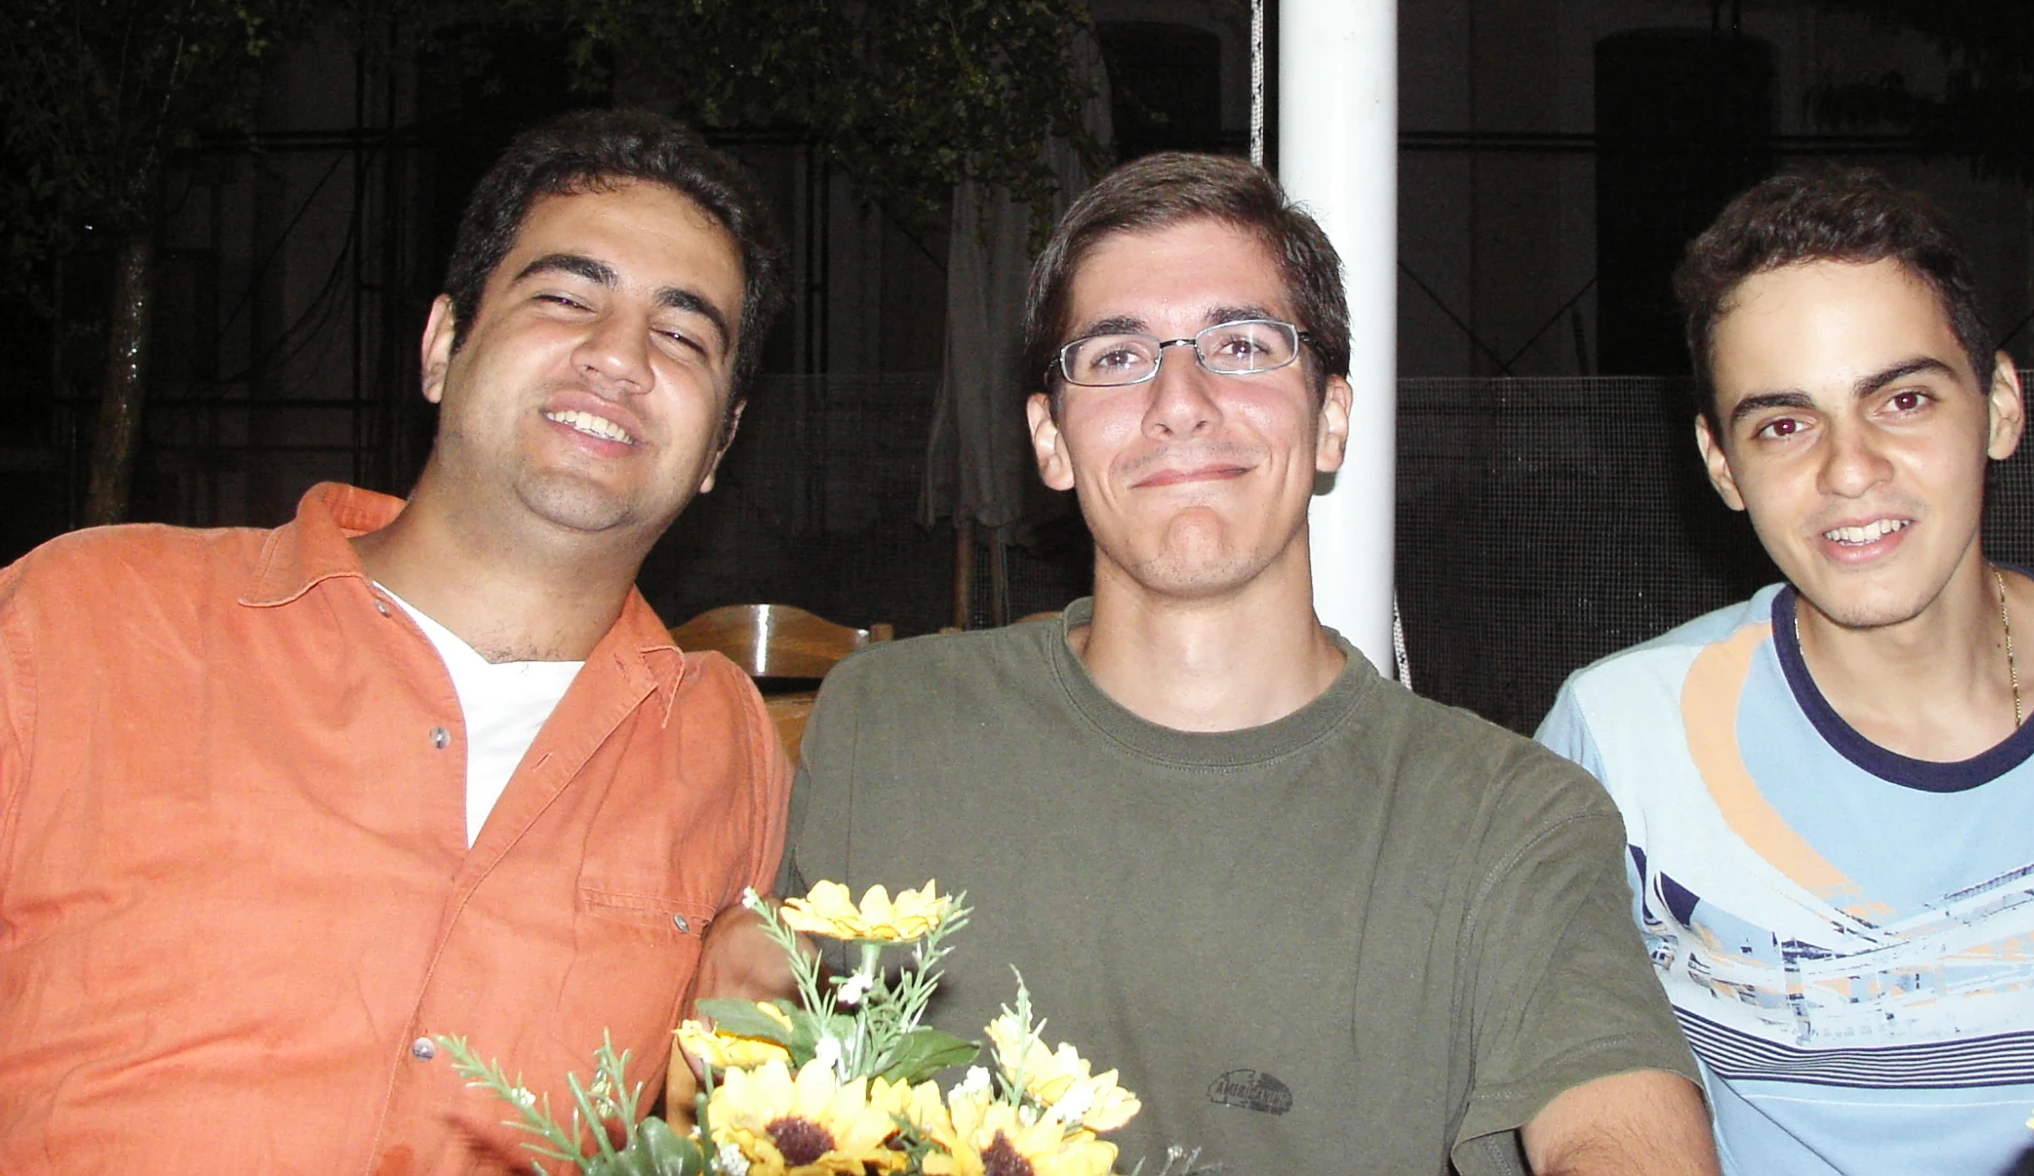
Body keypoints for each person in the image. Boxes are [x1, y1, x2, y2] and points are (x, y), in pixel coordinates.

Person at [783, 152, 1717, 1176]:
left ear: (1329, 419)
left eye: (1239, 343)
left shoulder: (1511, 820)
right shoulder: (889, 728)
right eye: (1114, 355)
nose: (1178, 400)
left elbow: (1620, 1132)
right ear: (1049, 440)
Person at [0, 110, 795, 1174]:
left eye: (683, 336)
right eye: (565, 297)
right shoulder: (87, 620)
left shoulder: (722, 750)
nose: (617, 357)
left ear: (719, 446)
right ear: (439, 346)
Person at [1537, 169, 2034, 1176]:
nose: (1847, 469)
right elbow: (1577, 1090)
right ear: (1720, 465)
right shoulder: (1623, 737)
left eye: (1900, 399)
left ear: (1996, 407)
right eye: (1781, 424)